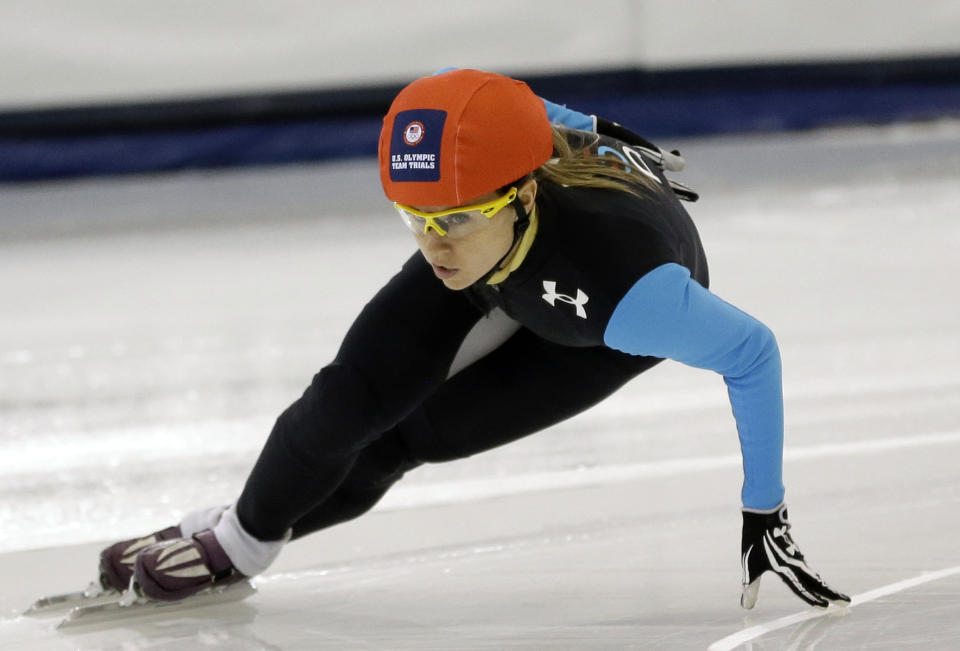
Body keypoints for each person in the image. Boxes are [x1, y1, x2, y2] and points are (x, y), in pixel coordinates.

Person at [98, 69, 848, 610]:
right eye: (414, 219)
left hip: (587, 322)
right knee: (347, 398)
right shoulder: (461, 217)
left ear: (523, 193)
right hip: (508, 255)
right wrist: (588, 125)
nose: (432, 244)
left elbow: (753, 352)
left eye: (450, 218)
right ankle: (237, 536)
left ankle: (239, 532)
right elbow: (498, 100)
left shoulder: (636, 295)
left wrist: (764, 513)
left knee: (408, 440)